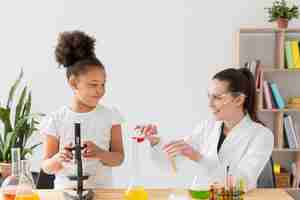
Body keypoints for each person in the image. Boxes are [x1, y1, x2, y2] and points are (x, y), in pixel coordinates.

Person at [138, 67, 274, 191]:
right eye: (209, 97)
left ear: (238, 100)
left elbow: (243, 182)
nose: (209, 104)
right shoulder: (206, 127)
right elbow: (172, 164)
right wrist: (155, 142)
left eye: (217, 98)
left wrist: (199, 158)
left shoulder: (261, 135)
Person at [41, 30, 124, 189]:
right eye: (93, 84)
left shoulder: (110, 116)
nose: (100, 90)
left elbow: (118, 158)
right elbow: (46, 166)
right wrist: (58, 158)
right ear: (73, 83)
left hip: (102, 193)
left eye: (103, 84)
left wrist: (100, 152)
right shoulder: (56, 119)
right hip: (64, 193)